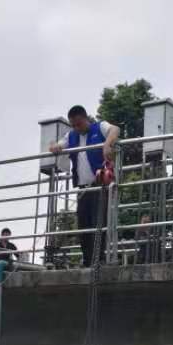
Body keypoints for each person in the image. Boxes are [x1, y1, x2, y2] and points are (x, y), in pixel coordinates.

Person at [49, 106, 120, 267]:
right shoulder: (71, 135)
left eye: (79, 124)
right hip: (82, 188)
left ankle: (99, 259)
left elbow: (115, 129)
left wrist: (107, 144)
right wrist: (54, 146)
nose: (77, 128)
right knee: (83, 225)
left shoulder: (99, 127)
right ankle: (87, 260)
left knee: (98, 223)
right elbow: (57, 145)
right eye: (73, 125)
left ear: (86, 118)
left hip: (99, 186)